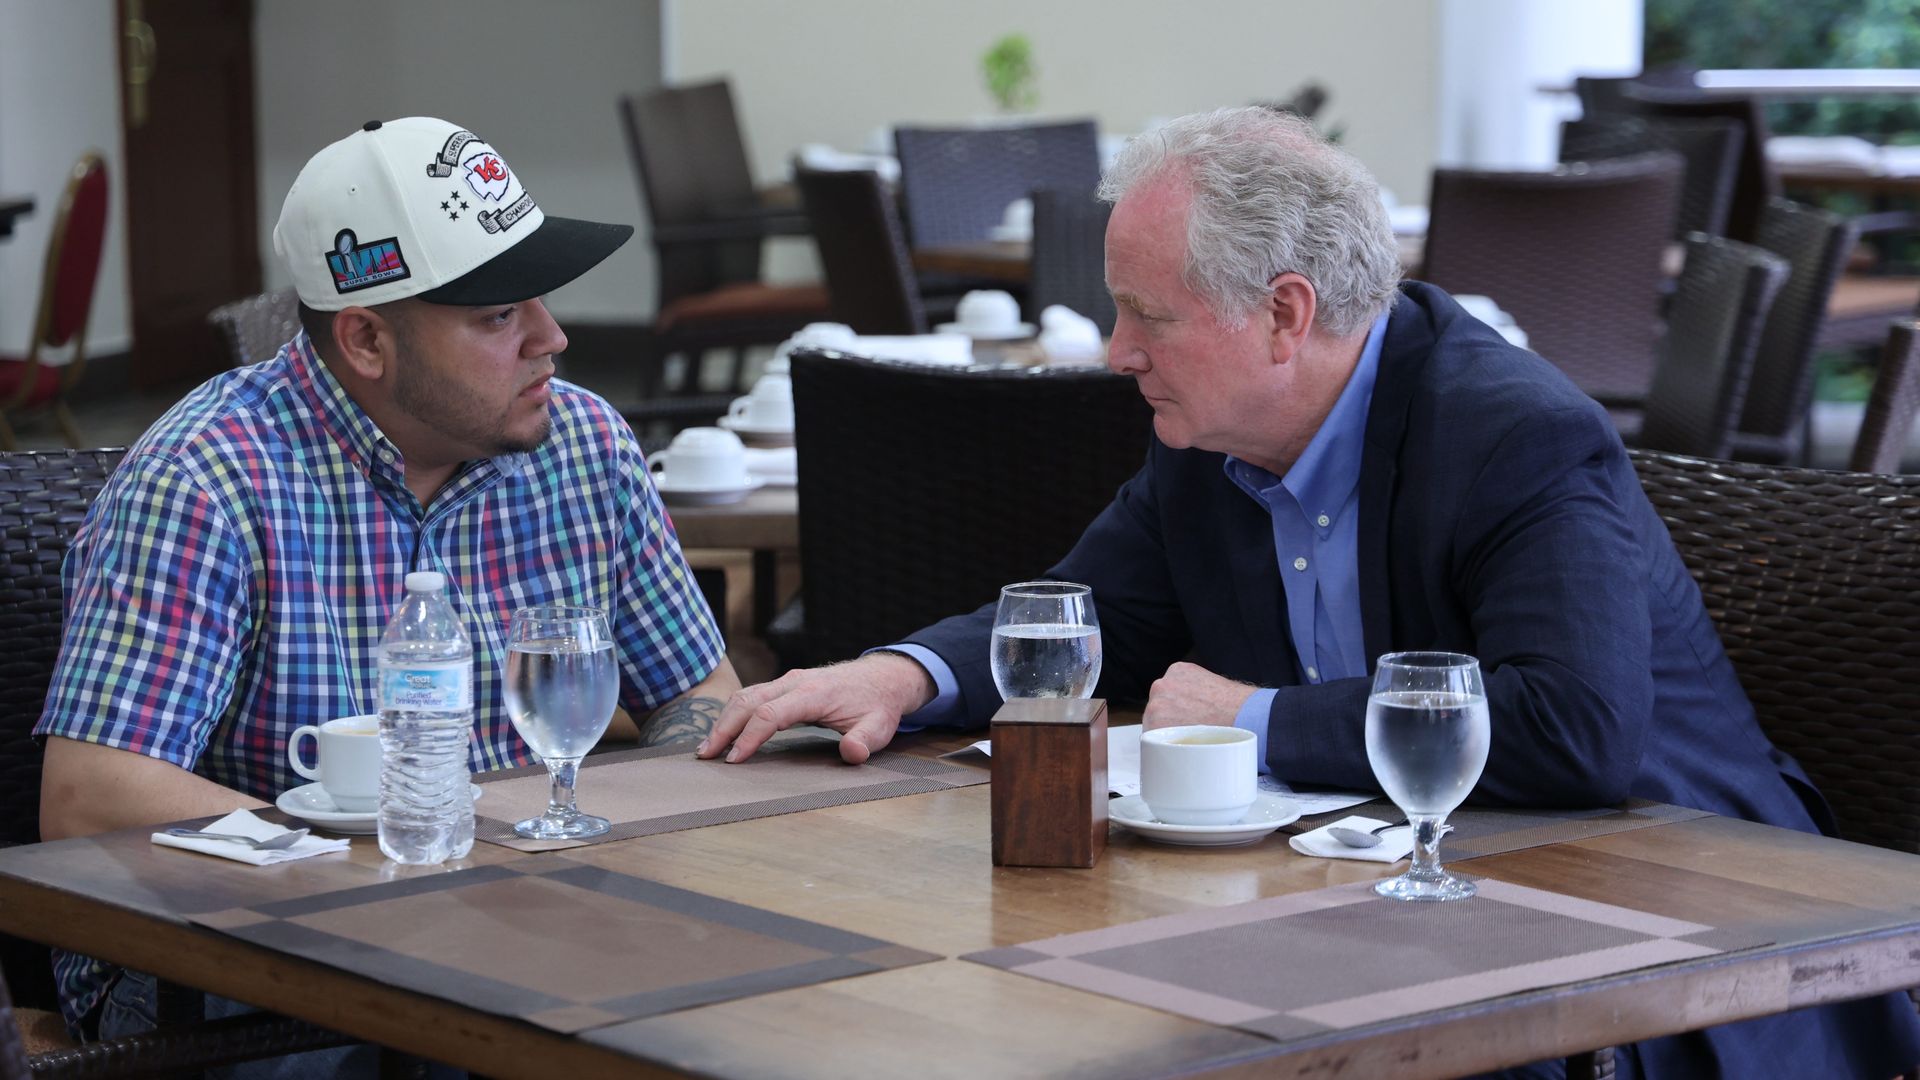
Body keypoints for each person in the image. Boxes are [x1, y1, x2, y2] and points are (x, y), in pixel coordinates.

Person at [698, 107, 1920, 1078]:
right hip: (1399, 909)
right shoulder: (1209, 440)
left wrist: (1251, 717)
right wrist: (904, 673)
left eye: (1145, 316)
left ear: (1285, 316)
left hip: (1678, 936)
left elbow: (1577, 730)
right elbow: (1091, 616)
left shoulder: (1513, 435)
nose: (1115, 352)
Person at [34, 117, 739, 1059]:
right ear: (365, 339)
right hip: (238, 968)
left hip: (528, 925)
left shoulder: (582, 444)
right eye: (498, 316)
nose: (553, 338)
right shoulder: (209, 477)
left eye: (542, 299)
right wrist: (367, 871)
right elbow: (91, 795)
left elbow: (700, 694)